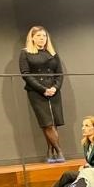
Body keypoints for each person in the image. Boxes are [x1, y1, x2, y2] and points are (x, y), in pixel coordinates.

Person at [19, 26, 65, 162]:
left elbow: (59, 74)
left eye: (44, 36)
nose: (42, 38)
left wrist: (55, 88)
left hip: (54, 91)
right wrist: (43, 89)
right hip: (36, 92)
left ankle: (50, 152)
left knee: (54, 122)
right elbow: (26, 74)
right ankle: (59, 151)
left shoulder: (52, 53)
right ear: (32, 37)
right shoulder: (25, 53)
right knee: (47, 123)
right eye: (39, 36)